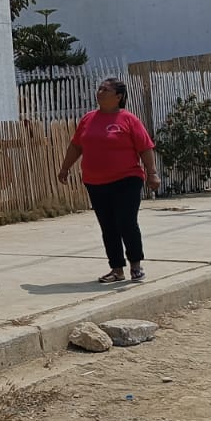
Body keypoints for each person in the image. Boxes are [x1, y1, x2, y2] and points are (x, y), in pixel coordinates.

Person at [57, 78, 161, 284]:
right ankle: (116, 269)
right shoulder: (88, 119)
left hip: (127, 179)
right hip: (95, 182)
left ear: (118, 96)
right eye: (99, 89)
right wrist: (65, 168)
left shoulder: (128, 119)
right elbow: (76, 146)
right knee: (108, 226)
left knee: (126, 222)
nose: (100, 92)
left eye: (105, 90)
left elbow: (145, 148)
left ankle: (135, 265)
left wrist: (152, 173)